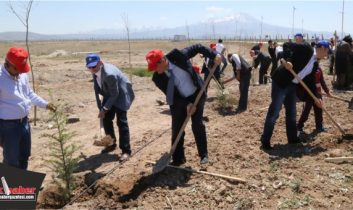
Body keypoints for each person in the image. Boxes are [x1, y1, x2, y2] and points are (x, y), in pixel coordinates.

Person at [145, 44, 221, 165]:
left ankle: (203, 155)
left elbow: (198, 47)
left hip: (197, 93)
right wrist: (187, 105)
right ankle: (178, 159)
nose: (155, 70)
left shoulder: (178, 55)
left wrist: (214, 55)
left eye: (155, 67)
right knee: (177, 129)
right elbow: (173, 96)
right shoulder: (158, 78)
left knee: (197, 125)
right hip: (178, 101)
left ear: (163, 60)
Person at [260, 40, 329, 150]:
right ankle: (265, 140)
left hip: (292, 86)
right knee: (275, 112)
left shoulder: (315, 64)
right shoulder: (307, 49)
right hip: (280, 82)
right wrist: (288, 60)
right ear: (322, 48)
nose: (327, 55)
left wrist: (316, 98)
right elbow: (287, 45)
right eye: (327, 52)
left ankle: (292, 139)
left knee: (292, 113)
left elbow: (310, 82)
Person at [0, 47, 56, 170]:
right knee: (11, 161)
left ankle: (21, 186)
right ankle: (8, 188)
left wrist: (45, 104)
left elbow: (29, 94)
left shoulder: (22, 75)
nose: (20, 72)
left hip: (24, 123)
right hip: (8, 127)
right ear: (9, 65)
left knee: (24, 156)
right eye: (18, 70)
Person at [86, 53, 134, 161]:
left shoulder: (109, 74)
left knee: (121, 122)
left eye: (93, 66)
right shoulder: (95, 72)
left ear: (100, 63)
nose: (91, 69)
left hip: (121, 95)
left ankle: (126, 151)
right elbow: (97, 90)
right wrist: (101, 108)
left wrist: (105, 109)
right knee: (107, 119)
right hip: (110, 94)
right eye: (89, 67)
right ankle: (111, 144)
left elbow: (115, 94)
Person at [297, 59, 332, 134]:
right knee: (306, 111)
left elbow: (322, 81)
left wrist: (327, 91)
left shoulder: (319, 69)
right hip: (309, 94)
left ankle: (319, 127)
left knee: (319, 110)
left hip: (318, 94)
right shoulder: (307, 70)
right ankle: (299, 126)